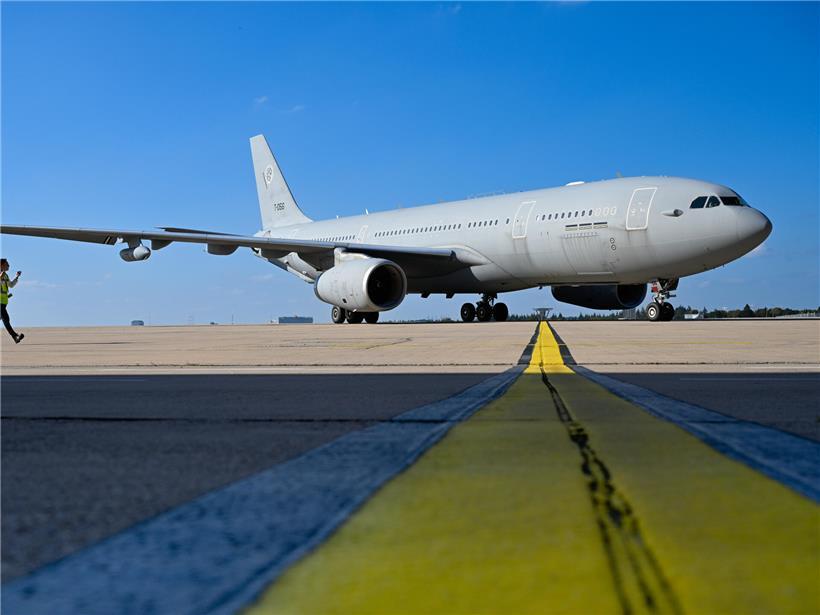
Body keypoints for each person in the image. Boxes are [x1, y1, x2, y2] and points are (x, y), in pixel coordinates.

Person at [1, 258, 24, 343]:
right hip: (0, 302)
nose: (8, 265)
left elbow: (10, 285)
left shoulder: (6, 275)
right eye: (7, 264)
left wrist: (17, 277)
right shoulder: (1, 274)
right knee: (6, 319)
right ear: (2, 265)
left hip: (4, 302)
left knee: (5, 319)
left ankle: (15, 337)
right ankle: (15, 337)